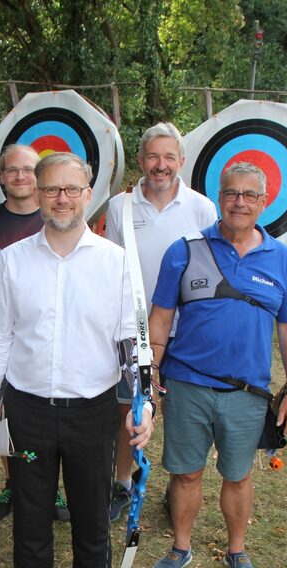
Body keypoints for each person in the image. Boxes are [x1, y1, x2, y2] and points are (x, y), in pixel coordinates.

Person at [0, 153, 154, 568]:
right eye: (52, 190)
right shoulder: (12, 261)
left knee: (91, 510)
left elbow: (132, 343)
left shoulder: (115, 264)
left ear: (88, 194)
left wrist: (145, 404)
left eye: (72, 189)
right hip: (28, 413)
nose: (62, 198)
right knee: (30, 506)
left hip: (92, 412)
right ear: (37, 194)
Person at [147, 162, 287, 568]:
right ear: (220, 198)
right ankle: (181, 547)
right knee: (185, 473)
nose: (240, 202)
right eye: (232, 193)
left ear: (264, 201)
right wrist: (151, 378)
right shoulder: (184, 250)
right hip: (187, 385)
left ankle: (237, 550)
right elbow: (160, 319)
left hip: (247, 393)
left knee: (238, 475)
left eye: (250, 195)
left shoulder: (281, 259)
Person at [103, 122, 217, 523]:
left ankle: (177, 487)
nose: (161, 165)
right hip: (132, 332)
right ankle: (121, 482)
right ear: (140, 160)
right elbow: (110, 268)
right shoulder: (121, 207)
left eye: (170, 157)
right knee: (128, 413)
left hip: (185, 333)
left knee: (179, 414)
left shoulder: (202, 208)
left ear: (182, 161)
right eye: (153, 156)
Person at [0, 144, 69, 522]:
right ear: (0, 177)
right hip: (3, 340)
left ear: (39, 179)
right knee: (5, 419)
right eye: (12, 170)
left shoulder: (57, 218)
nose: (20, 176)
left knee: (51, 419)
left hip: (48, 343)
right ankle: (13, 480)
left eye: (28, 170)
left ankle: (51, 489)